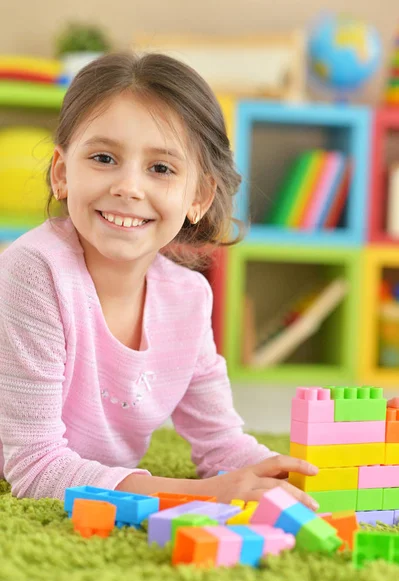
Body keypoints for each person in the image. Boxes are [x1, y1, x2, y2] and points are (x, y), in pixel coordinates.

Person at [0, 51, 318, 508]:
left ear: (200, 196)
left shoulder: (188, 297)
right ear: (62, 172)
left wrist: (293, 480)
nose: (129, 187)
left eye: (161, 168)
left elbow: (223, 445)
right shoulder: (35, 271)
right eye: (104, 157)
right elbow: (35, 467)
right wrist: (198, 494)